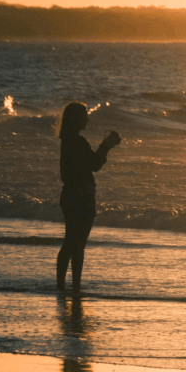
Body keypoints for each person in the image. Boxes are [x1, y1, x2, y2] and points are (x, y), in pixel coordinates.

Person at [56, 102, 121, 291]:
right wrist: (106, 145)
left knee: (70, 242)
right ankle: (74, 285)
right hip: (82, 196)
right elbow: (95, 164)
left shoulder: (67, 141)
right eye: (84, 115)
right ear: (75, 119)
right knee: (78, 245)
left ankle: (61, 285)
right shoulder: (77, 141)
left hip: (69, 194)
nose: (87, 119)